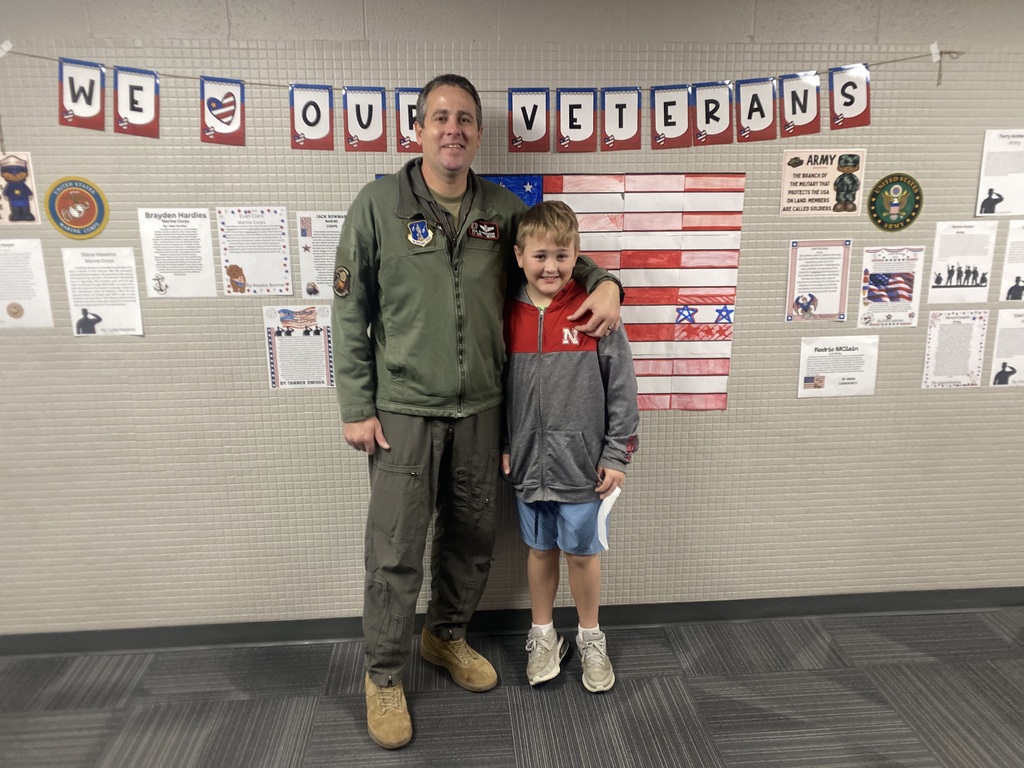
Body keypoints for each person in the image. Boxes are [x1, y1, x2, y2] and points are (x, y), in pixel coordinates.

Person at [331, 74, 622, 750]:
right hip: (402, 407)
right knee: (396, 551)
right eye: (440, 116)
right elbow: (350, 311)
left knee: (470, 538)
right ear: (418, 128)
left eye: (465, 117)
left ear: (478, 132)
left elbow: (555, 255)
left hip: (483, 408)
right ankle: (382, 675)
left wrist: (606, 282)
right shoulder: (377, 204)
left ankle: (446, 637)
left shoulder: (500, 207)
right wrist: (355, 404)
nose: (453, 128)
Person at [501, 201, 640, 694]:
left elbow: (622, 390)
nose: (550, 267)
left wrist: (616, 455)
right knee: (539, 550)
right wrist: (504, 442)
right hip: (527, 463)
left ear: (577, 255)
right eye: (539, 256)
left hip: (582, 467)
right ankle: (543, 636)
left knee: (581, 554)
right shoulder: (507, 311)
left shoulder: (594, 310)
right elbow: (497, 389)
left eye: (562, 256)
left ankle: (590, 637)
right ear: (519, 257)